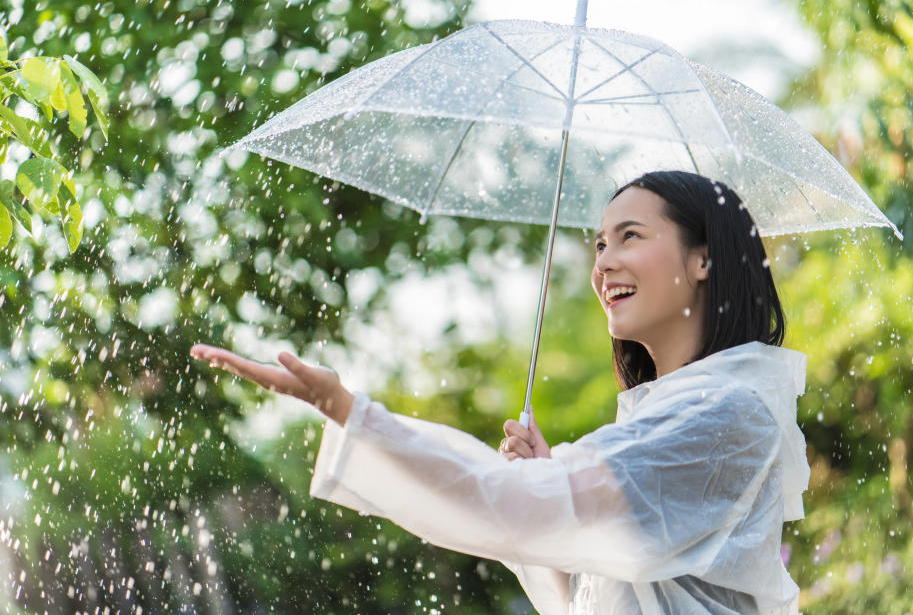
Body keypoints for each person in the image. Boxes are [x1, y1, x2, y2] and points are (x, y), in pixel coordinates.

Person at [191, 170, 809, 615]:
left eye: (630, 237)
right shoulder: (668, 416)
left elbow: (503, 505)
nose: (602, 263)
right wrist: (549, 486)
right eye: (599, 244)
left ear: (703, 260)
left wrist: (350, 412)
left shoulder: (725, 413)